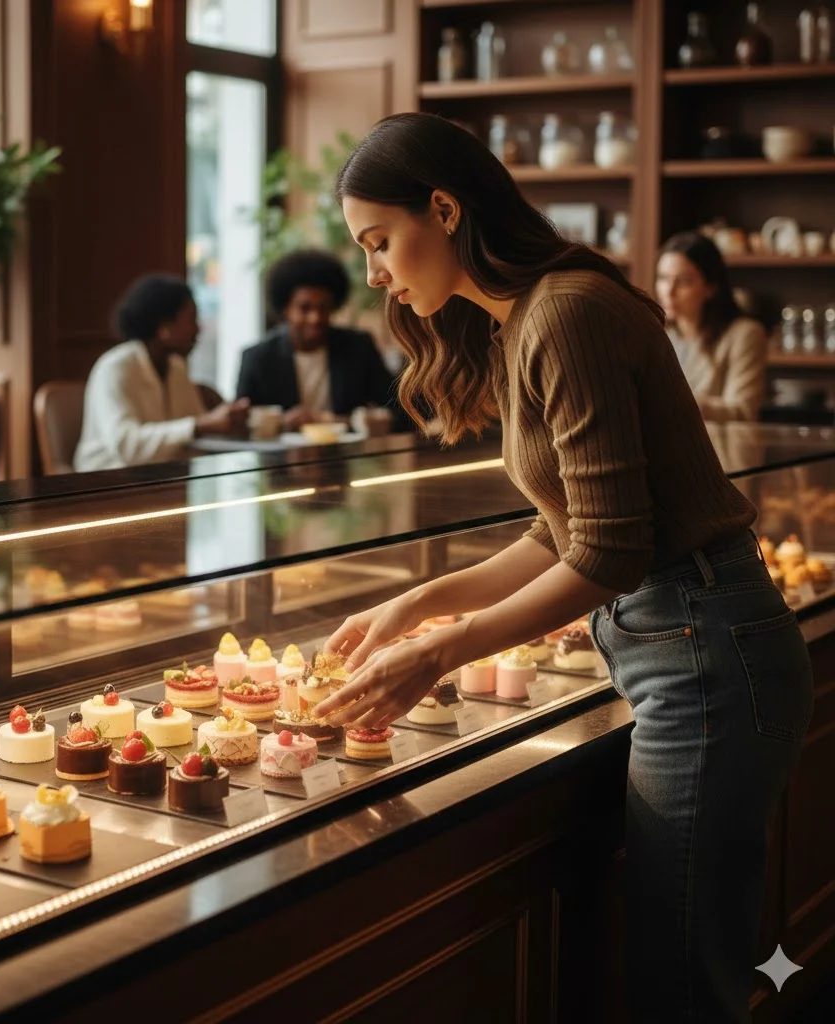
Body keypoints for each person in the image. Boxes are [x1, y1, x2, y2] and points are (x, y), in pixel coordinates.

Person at [312, 113, 813, 1024]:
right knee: (681, 962)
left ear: (445, 207)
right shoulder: (522, 322)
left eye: (380, 244)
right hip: (686, 648)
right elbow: (565, 530)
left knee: (682, 984)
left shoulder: (566, 313)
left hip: (706, 654)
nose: (375, 274)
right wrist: (419, 603)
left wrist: (445, 649)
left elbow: (611, 550)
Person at [74, 274, 248, 472]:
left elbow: (196, 427)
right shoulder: (116, 368)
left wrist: (230, 422)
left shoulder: (176, 367)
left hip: (160, 477)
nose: (198, 329)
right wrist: (201, 425)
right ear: (164, 327)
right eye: (191, 320)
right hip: (104, 483)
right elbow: (127, 446)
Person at [236, 249, 407, 431]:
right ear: (285, 309)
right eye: (305, 308)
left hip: (350, 455)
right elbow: (241, 424)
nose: (315, 317)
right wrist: (282, 422)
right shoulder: (258, 358)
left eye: (323, 308)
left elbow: (400, 414)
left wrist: (339, 421)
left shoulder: (358, 348)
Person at [657, 231, 768, 423]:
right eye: (663, 278)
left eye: (683, 281)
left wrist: (678, 404)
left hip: (718, 450)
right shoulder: (657, 333)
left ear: (711, 287)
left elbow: (743, 411)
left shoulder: (744, 334)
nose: (669, 291)